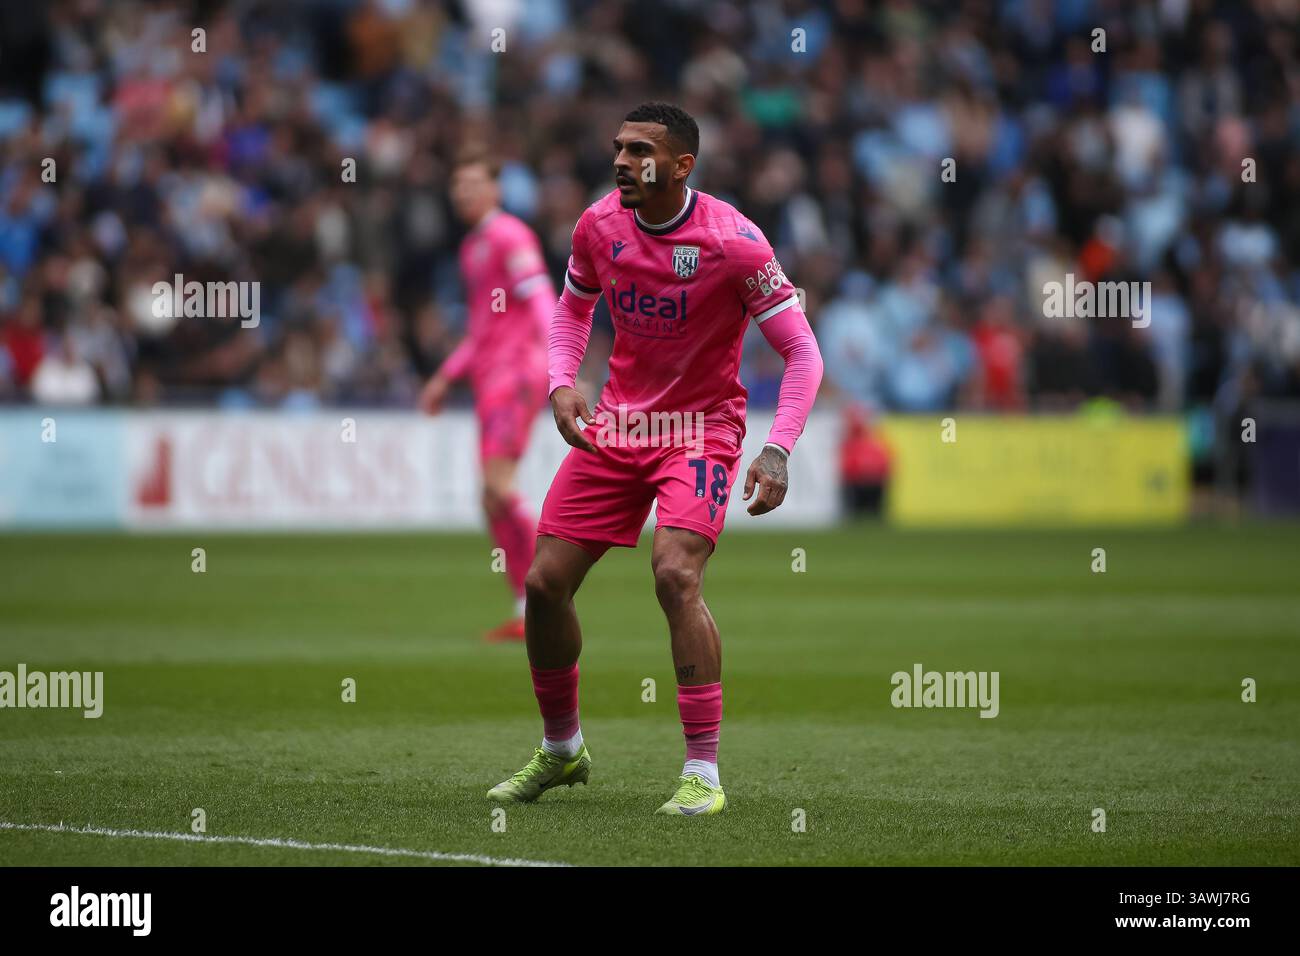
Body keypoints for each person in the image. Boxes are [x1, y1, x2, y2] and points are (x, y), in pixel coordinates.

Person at [487, 103, 823, 815]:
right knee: (545, 585)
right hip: (617, 425)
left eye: (639, 149)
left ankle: (702, 772)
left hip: (701, 430)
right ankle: (561, 750)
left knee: (674, 573)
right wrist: (561, 381)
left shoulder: (736, 243)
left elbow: (802, 353)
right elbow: (573, 309)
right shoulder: (597, 225)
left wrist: (777, 448)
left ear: (681, 167)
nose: (620, 160)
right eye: (616, 146)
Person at [418, 149, 554, 641]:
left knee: (498, 489)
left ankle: (555, 579)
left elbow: (540, 296)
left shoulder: (509, 236)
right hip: (490, 381)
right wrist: (444, 376)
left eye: (474, 184)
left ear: (496, 190)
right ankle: (527, 609)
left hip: (517, 375)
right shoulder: (473, 247)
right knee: (490, 499)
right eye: (458, 185)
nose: (464, 193)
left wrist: (563, 360)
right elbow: (480, 329)